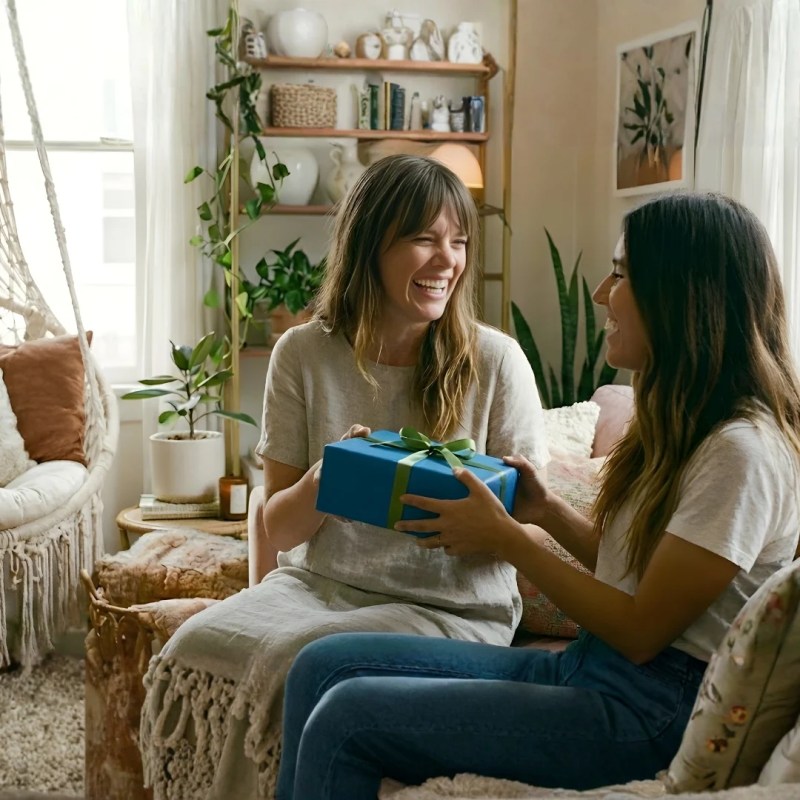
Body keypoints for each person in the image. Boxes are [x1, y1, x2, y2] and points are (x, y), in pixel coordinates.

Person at [276, 192, 800, 800]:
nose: (603, 293)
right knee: (321, 664)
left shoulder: (744, 451)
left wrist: (508, 540)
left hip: (650, 711)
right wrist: (546, 509)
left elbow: (641, 629)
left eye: (623, 274)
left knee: (350, 716)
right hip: (597, 668)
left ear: (684, 295)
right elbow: (641, 571)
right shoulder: (691, 426)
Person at [139, 154, 549, 800]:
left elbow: (526, 522)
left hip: (449, 608)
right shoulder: (302, 354)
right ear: (370, 243)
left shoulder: (497, 363)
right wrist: (331, 478)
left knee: (303, 661)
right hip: (316, 584)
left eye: (459, 241)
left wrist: (468, 506)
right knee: (197, 644)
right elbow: (276, 524)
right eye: (424, 238)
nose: (448, 260)